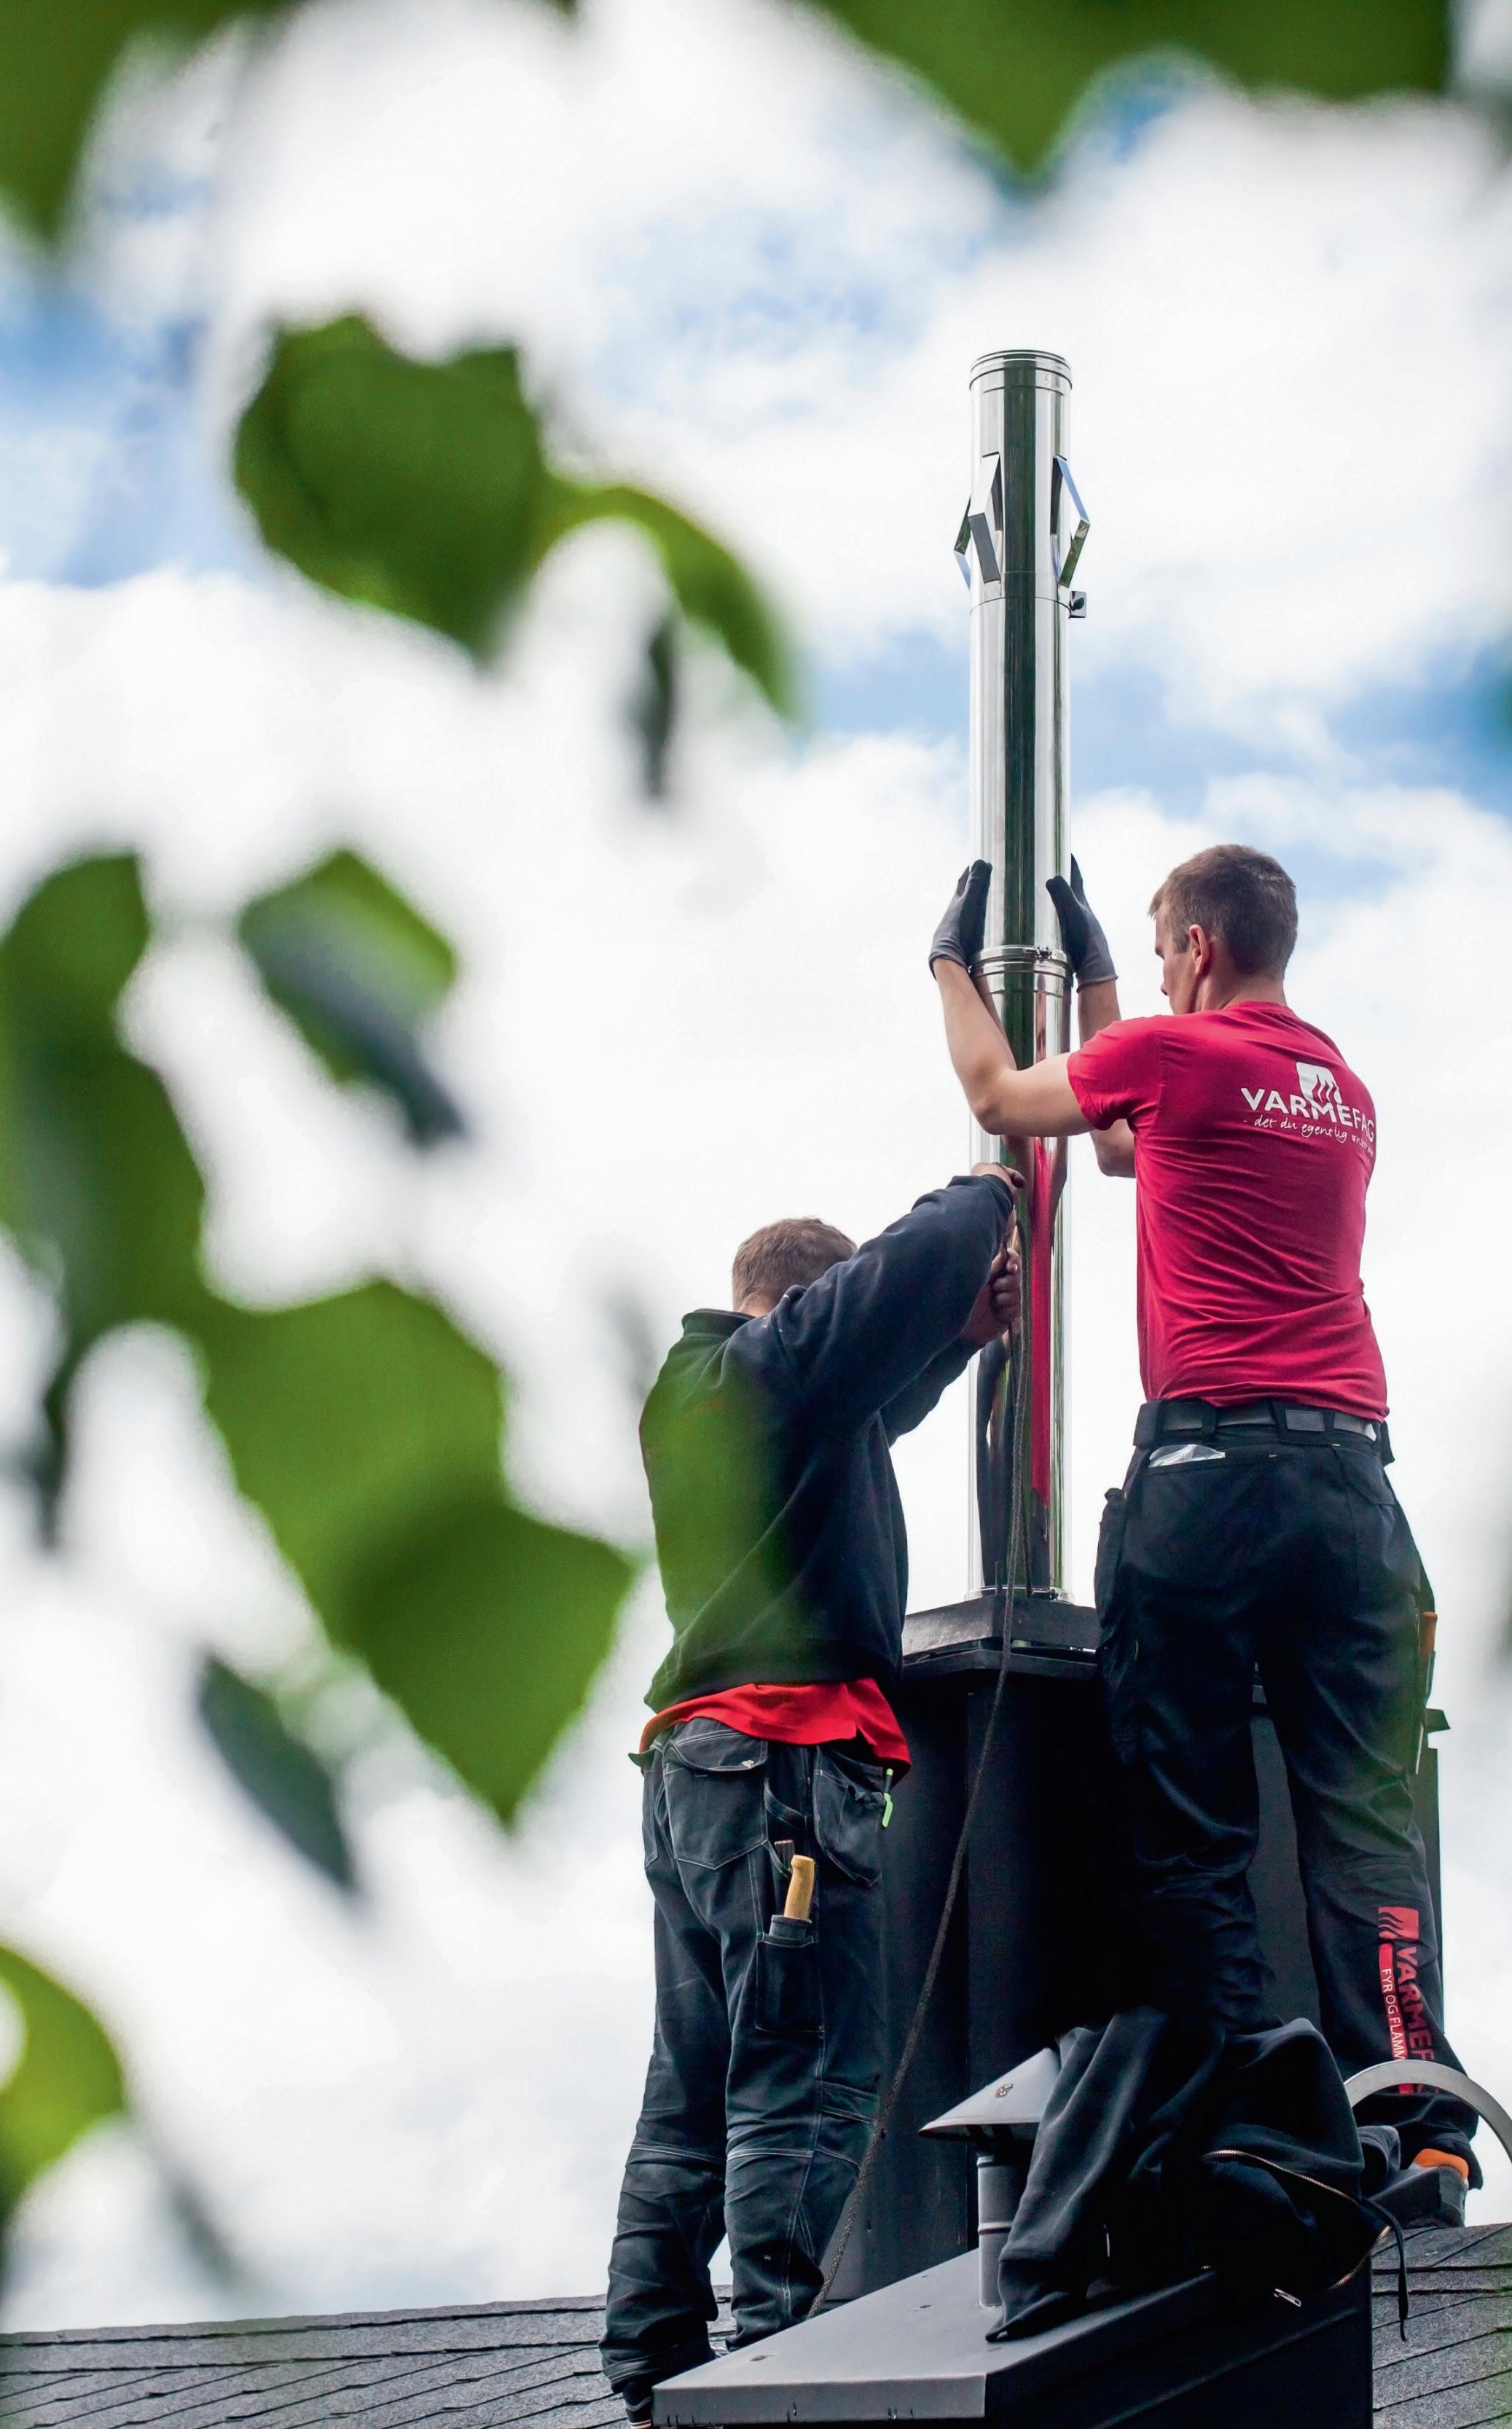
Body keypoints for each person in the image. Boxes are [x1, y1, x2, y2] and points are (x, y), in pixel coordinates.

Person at [929, 842, 1477, 2190]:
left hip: (1209, 1478)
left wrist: (949, 964)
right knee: (1364, 1817)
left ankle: (1257, 2117)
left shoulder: (1176, 1055)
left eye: (1159, 951)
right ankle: (1424, 2126)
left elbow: (1005, 1098)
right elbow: (1132, 1149)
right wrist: (1103, 981)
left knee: (1193, 1824)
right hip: (1352, 1491)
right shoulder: (1339, 1088)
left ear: (1197, 949)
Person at [600, 1173, 1023, 2423]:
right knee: (801, 2080)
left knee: (692, 2084)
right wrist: (989, 1189)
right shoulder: (764, 1368)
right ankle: (776, 2365)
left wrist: (953, 1341)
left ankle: (654, 2356)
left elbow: (863, 1407)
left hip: (699, 1775)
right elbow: (889, 1289)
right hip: (785, 1769)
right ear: (802, 1306)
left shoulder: (717, 1401)